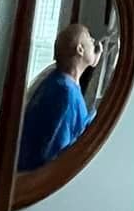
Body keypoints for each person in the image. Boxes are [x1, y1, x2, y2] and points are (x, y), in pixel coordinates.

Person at [16, 22, 99, 172]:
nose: (94, 41)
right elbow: (58, 155)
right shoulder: (65, 94)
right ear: (80, 49)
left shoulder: (56, 81)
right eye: (89, 37)